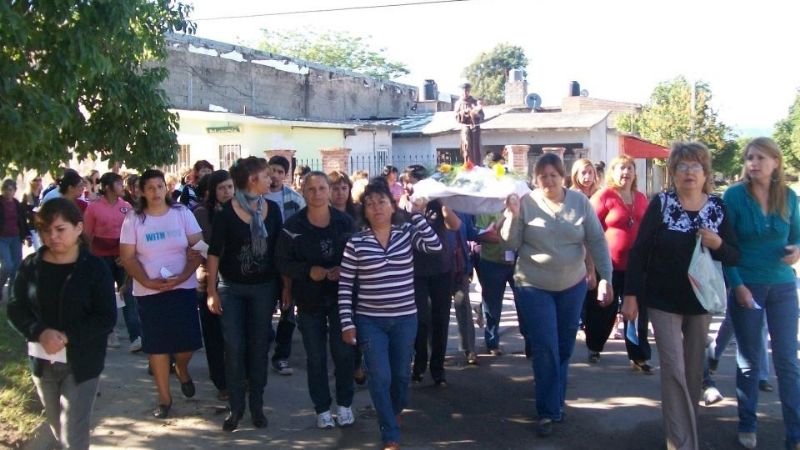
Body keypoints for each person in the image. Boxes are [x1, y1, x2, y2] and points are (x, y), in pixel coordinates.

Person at [623, 142, 740, 450]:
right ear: (672, 172)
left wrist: (717, 244)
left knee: (691, 374)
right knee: (673, 370)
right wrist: (631, 294)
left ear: (706, 173)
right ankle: (683, 444)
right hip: (662, 301)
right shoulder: (661, 204)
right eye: (682, 166)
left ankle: (687, 436)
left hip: (700, 303)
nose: (689, 172)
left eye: (696, 166)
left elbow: (734, 255)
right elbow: (639, 252)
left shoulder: (717, 208)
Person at [499, 152, 612, 438]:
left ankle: (555, 400)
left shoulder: (579, 202)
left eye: (553, 175)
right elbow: (509, 243)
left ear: (563, 176)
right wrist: (512, 215)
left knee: (563, 346)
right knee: (546, 346)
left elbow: (597, 240)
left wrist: (605, 279)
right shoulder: (526, 203)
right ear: (536, 180)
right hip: (533, 284)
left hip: (571, 285)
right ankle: (548, 410)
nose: (549, 181)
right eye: (543, 177)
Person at [338, 179, 442, 450]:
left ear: (393, 206)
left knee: (400, 376)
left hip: (405, 319)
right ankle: (390, 433)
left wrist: (417, 216)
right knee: (380, 377)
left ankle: (393, 409)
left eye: (382, 202)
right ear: (364, 210)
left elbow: (434, 246)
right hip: (370, 321)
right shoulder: (356, 242)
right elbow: (345, 285)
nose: (376, 208)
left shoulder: (405, 234)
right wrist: (347, 323)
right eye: (370, 204)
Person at [8, 198, 116, 450]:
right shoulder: (31, 266)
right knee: (59, 428)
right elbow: (15, 306)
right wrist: (39, 332)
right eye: (46, 230)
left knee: (72, 435)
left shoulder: (94, 268)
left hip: (82, 362)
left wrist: (67, 336)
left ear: (78, 228)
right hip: (42, 361)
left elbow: (106, 316)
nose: (52, 236)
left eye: (60, 229)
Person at [722, 137, 800, 450]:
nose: (754, 163)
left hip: (783, 285)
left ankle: (794, 433)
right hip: (747, 284)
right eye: (750, 158)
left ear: (776, 163)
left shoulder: (789, 196)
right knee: (750, 361)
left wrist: (797, 250)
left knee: (787, 362)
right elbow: (727, 248)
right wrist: (737, 284)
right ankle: (747, 423)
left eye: (761, 158)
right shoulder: (734, 196)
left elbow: (797, 235)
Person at [119, 169, 204, 419]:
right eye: (150, 188)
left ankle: (182, 369)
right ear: (141, 192)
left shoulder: (181, 213)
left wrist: (185, 273)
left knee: (185, 346)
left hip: (182, 288)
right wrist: (146, 280)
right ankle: (164, 399)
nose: (156, 192)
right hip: (149, 292)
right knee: (157, 347)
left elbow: (198, 246)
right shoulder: (134, 219)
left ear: (166, 188)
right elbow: (127, 256)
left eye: (160, 186)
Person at [206, 157, 282, 431]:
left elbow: (278, 252)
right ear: (252, 179)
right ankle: (235, 408)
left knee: (259, 346)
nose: (270, 179)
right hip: (232, 289)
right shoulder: (227, 212)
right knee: (234, 347)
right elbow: (214, 253)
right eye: (265, 175)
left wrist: (285, 289)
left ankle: (257, 406)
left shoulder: (272, 210)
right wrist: (212, 291)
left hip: (263, 288)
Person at [276, 172, 357, 429]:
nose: (317, 194)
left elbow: (359, 255)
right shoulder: (292, 226)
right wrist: (307, 272)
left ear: (329, 190)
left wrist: (343, 270)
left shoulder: (344, 222)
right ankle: (322, 408)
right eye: (311, 189)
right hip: (309, 300)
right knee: (316, 356)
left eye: (322, 188)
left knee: (344, 353)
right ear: (303, 191)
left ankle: (344, 403)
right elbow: (282, 261)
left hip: (341, 298)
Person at [587, 156, 649, 367]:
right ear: (613, 172)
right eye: (621, 168)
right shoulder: (604, 196)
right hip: (608, 266)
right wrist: (590, 266)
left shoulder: (641, 197)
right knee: (605, 310)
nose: (626, 172)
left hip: (636, 267)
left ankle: (638, 355)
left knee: (636, 310)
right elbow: (589, 230)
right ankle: (594, 346)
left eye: (630, 168)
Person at [402, 165, 461, 386]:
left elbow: (455, 225)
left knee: (441, 319)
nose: (412, 186)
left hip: (441, 269)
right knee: (420, 320)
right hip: (415, 271)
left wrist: (444, 202)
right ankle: (418, 365)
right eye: (409, 182)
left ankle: (438, 369)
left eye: (416, 181)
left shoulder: (438, 204)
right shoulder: (403, 207)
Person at [83, 173, 141, 352]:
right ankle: (109, 332)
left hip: (122, 256)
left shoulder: (127, 207)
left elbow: (133, 232)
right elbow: (86, 234)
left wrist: (128, 254)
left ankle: (136, 336)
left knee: (129, 293)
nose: (122, 186)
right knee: (105, 294)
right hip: (101, 257)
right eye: (118, 183)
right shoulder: (93, 208)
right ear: (107, 187)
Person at [192, 170, 234, 401]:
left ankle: (239, 376)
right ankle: (221, 382)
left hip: (236, 281)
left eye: (229, 187)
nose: (227, 192)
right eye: (221, 188)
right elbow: (197, 245)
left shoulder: (242, 210)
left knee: (236, 335)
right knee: (214, 335)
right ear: (212, 192)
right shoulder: (201, 214)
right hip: (208, 280)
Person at [265, 155, 307, 376]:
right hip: (264, 262)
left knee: (288, 310)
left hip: (288, 261)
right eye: (272, 170)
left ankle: (281, 356)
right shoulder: (257, 196)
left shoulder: (294, 199)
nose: (275, 175)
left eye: (280, 172)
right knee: (263, 310)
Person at [0, 179, 29, 301]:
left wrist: (26, 235)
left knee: (16, 267)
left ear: (15, 191)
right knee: (7, 265)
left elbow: (22, 221)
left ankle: (12, 295)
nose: (8, 192)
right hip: (2, 238)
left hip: (16, 237)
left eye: (11, 189)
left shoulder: (16, 204)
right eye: (5, 189)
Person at [454, 82, 484, 165]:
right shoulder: (459, 103)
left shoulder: (474, 102)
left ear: (469, 91)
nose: (465, 93)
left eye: (467, 91)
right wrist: (464, 112)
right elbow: (456, 117)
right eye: (464, 91)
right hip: (465, 128)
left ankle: (478, 165)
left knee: (476, 147)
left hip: (475, 128)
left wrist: (476, 114)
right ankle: (468, 165)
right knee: (467, 147)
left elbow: (482, 116)